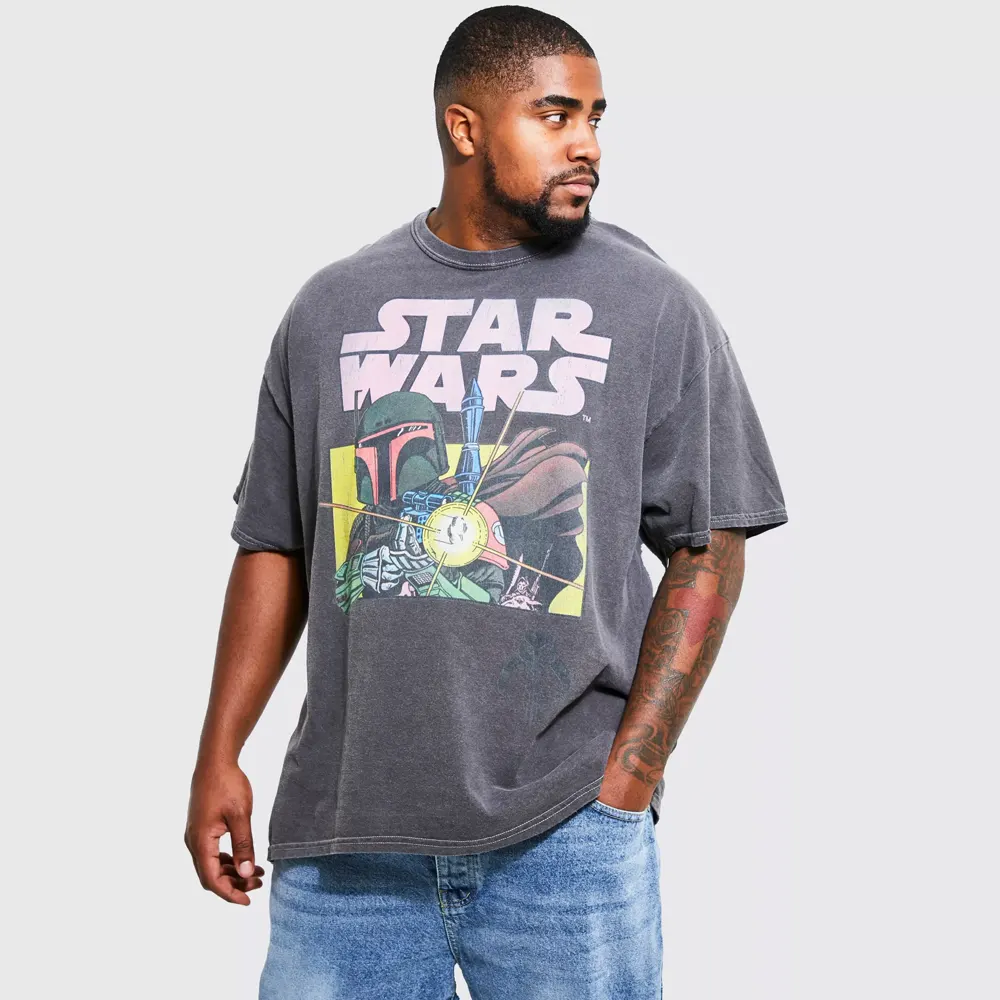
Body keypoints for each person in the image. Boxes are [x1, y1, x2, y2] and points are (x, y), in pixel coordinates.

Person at [184, 6, 788, 998]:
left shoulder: (651, 304)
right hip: (346, 839)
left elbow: (710, 539)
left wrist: (629, 778)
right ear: (464, 128)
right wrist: (220, 752)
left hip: (567, 834)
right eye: (555, 116)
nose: (587, 145)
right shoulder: (333, 307)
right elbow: (276, 543)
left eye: (595, 117)